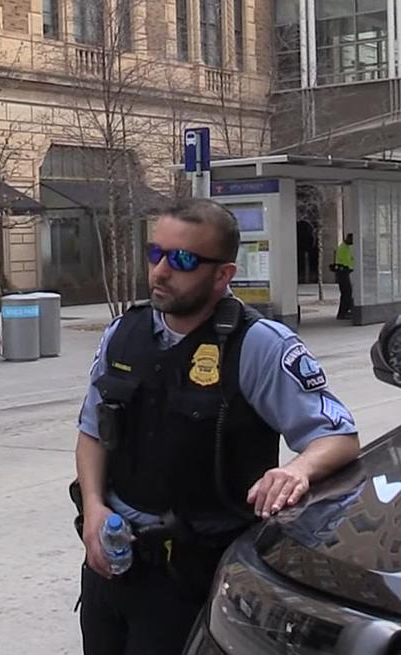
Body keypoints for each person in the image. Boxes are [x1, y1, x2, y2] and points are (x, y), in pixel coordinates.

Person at [74, 199, 360, 655]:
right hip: (111, 566)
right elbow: (92, 431)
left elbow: (337, 437)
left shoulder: (258, 344)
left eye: (183, 260)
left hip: (195, 578)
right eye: (156, 254)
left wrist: (298, 470)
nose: (162, 271)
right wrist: (92, 508)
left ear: (223, 275)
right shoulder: (124, 333)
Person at [334, 233, 355, 320]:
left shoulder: (345, 247)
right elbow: (347, 261)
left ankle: (345, 312)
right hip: (342, 272)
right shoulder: (343, 248)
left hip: (343, 272)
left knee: (346, 293)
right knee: (347, 293)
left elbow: (350, 259)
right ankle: (343, 313)